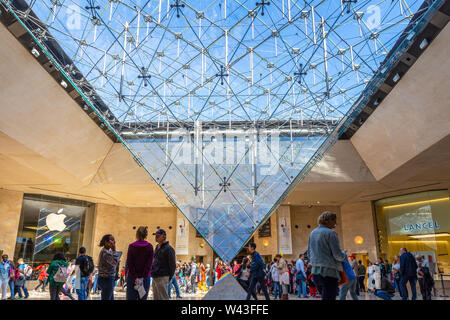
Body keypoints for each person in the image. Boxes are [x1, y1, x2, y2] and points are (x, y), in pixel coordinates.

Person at [307, 211, 346, 300]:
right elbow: (337, 255)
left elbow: (309, 254)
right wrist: (344, 255)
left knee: (324, 296)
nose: (335, 223)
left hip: (315, 273)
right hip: (329, 272)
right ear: (329, 220)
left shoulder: (312, 233)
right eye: (334, 220)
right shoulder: (331, 233)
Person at [126, 226, 154, 300]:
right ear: (146, 235)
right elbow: (149, 265)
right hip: (145, 278)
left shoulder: (131, 246)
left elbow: (129, 263)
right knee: (142, 298)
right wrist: (142, 278)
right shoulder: (150, 247)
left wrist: (135, 278)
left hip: (132, 278)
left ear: (137, 234)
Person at [151, 229, 176, 300]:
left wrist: (170, 277)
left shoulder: (169, 249)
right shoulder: (156, 247)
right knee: (156, 297)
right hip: (155, 275)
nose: (156, 237)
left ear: (163, 236)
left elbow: (172, 265)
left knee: (163, 297)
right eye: (155, 235)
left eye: (158, 236)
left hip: (163, 276)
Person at [98, 234, 120, 300]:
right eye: (112, 240)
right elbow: (114, 263)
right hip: (106, 279)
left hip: (107, 279)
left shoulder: (107, 252)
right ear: (106, 242)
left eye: (114, 240)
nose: (114, 242)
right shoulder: (105, 252)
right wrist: (114, 250)